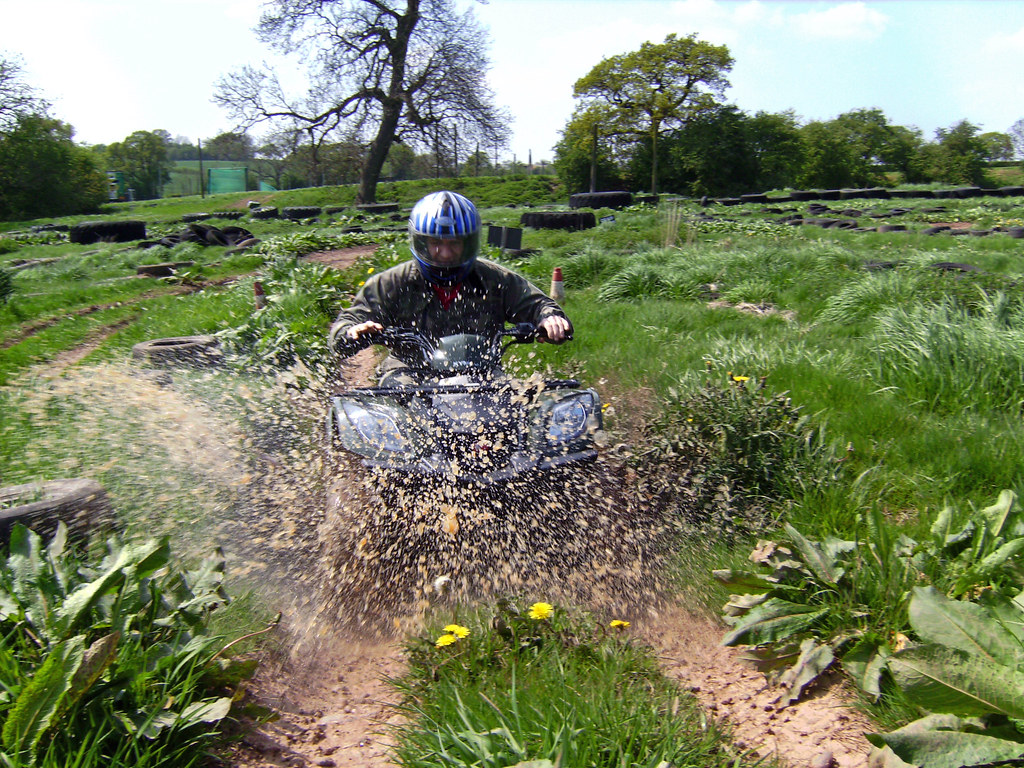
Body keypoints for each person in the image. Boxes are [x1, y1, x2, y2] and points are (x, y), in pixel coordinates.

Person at [329, 190, 572, 384]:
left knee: (513, 406)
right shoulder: (391, 283)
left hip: (481, 372)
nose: (445, 254)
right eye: (435, 243)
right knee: (392, 408)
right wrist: (353, 333)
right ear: (421, 242)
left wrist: (549, 319)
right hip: (410, 371)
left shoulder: (494, 279)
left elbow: (538, 304)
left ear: (469, 243)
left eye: (454, 243)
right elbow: (345, 326)